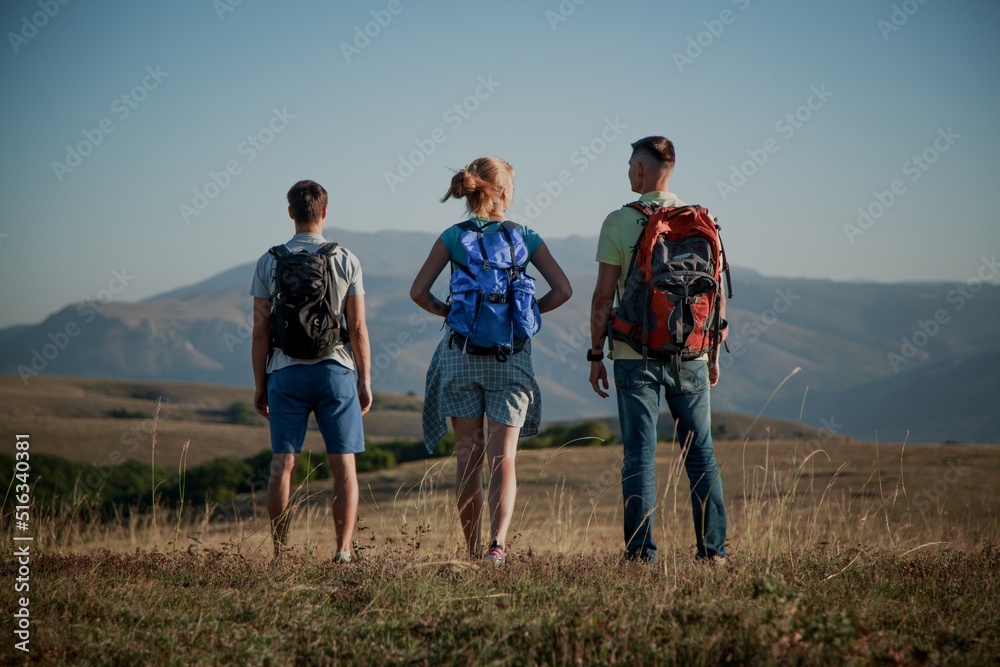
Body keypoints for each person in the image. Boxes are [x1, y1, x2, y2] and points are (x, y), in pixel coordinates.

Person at [411, 157, 572, 564]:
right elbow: (564, 290)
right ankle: (497, 547)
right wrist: (526, 314)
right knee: (504, 459)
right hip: (511, 358)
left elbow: (418, 292)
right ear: (503, 193)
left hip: (461, 355)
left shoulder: (451, 236)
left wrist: (449, 313)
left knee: (468, 457)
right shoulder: (526, 237)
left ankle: (468, 549)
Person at [587, 136, 728, 565]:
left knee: (639, 454)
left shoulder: (618, 221)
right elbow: (717, 299)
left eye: (631, 165)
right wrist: (713, 358)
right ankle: (714, 554)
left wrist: (596, 355)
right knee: (700, 451)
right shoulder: (702, 222)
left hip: (635, 354)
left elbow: (601, 301)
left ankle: (641, 557)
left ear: (643, 171)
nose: (629, 171)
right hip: (693, 355)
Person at [250, 179, 372, 563]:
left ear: (290, 213)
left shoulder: (269, 260)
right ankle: (343, 552)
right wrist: (365, 380)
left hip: (285, 372)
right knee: (343, 464)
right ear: (324, 212)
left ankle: (281, 554)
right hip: (336, 370)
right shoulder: (346, 258)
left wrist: (260, 384)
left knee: (283, 464)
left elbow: (260, 328)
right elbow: (358, 329)